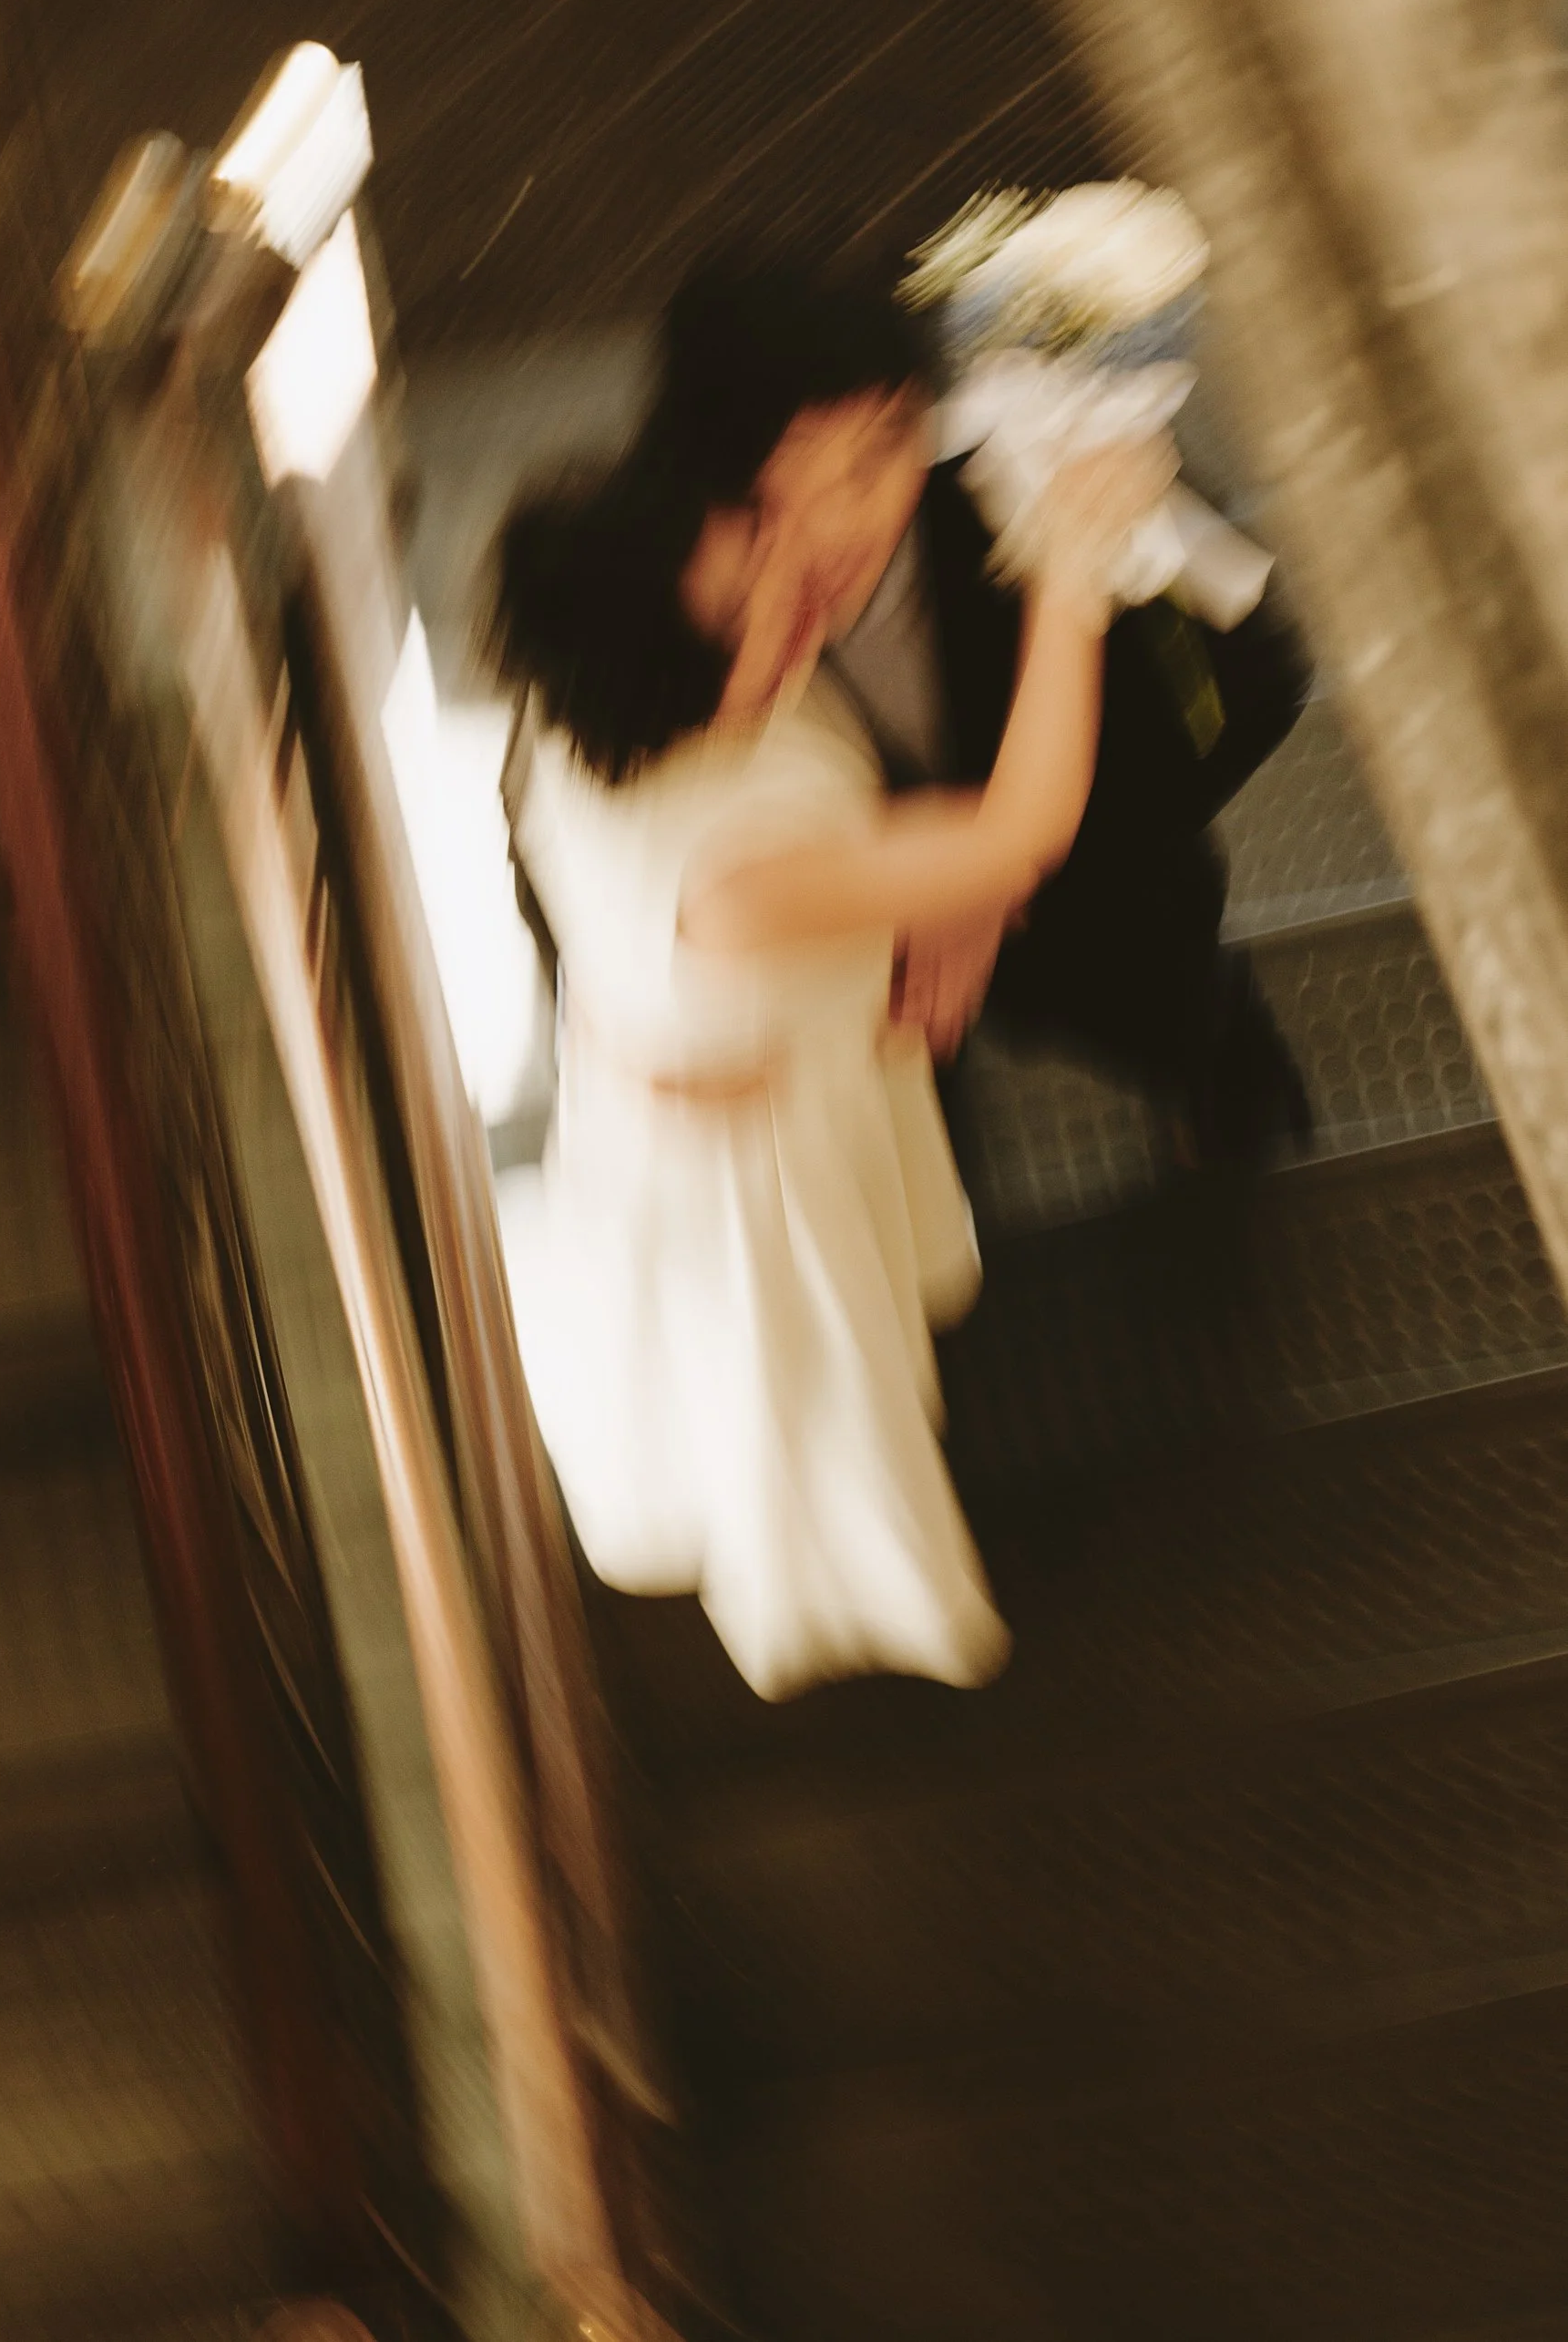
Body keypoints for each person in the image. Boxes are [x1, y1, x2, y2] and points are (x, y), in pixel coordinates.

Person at [491, 356, 1168, 1700]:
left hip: (763, 1068)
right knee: (804, 1400)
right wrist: (1072, 572)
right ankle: (853, 1600)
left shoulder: (588, 716)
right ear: (679, 673)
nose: (798, 585)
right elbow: (1018, 833)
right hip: (752, 1156)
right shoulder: (736, 879)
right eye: (758, 600)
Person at [660, 259, 1315, 1169]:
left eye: (866, 467)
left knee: (1181, 1027)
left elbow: (1264, 676)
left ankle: (1236, 1099)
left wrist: (993, 881)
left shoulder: (1043, 458)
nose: (831, 528)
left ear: (920, 419)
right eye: (778, 490)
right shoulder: (677, 566)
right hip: (854, 956)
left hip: (1107, 914)